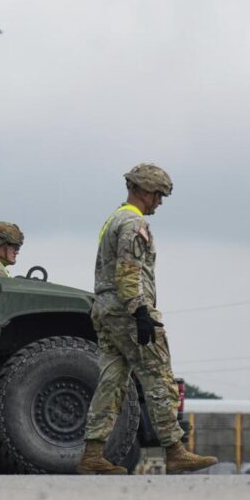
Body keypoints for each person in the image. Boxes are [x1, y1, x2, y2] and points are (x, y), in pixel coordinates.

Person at [77, 163, 216, 475]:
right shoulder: (133, 223)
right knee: (158, 376)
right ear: (141, 191)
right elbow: (129, 271)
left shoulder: (115, 218)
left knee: (111, 382)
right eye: (157, 194)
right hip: (128, 310)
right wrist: (140, 311)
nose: (159, 202)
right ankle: (175, 451)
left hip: (106, 309)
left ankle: (92, 453)